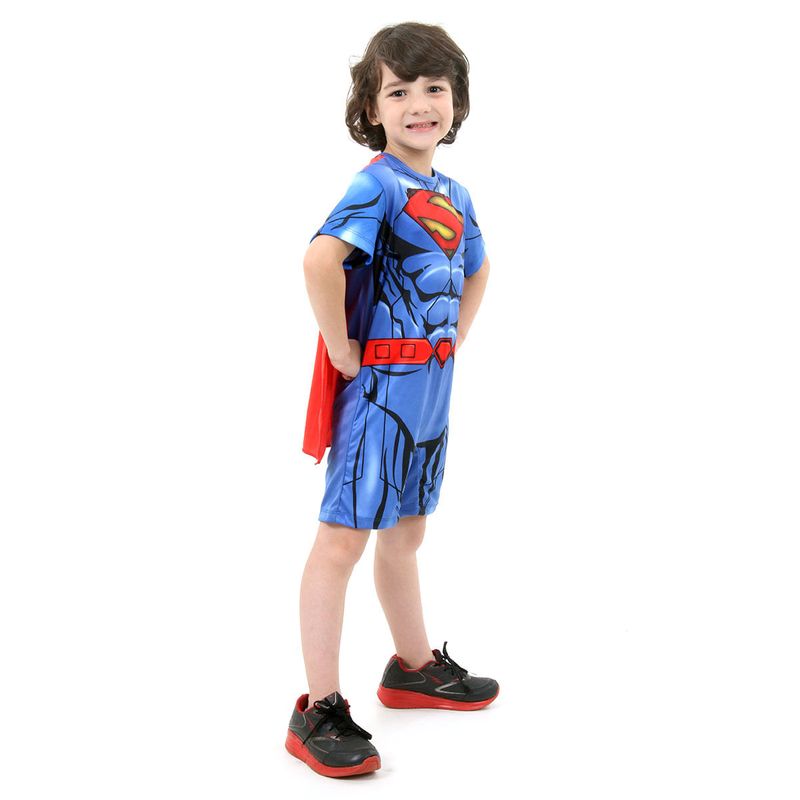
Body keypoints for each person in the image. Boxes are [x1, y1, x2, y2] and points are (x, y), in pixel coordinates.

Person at [286, 22, 498, 779]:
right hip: (378, 390)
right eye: (398, 91)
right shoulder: (376, 185)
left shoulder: (452, 193)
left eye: (433, 88)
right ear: (372, 109)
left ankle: (411, 667)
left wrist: (457, 334)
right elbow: (321, 259)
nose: (418, 104)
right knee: (342, 541)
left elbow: (478, 266)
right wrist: (343, 348)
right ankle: (318, 707)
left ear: (456, 100)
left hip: (430, 391)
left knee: (406, 531)